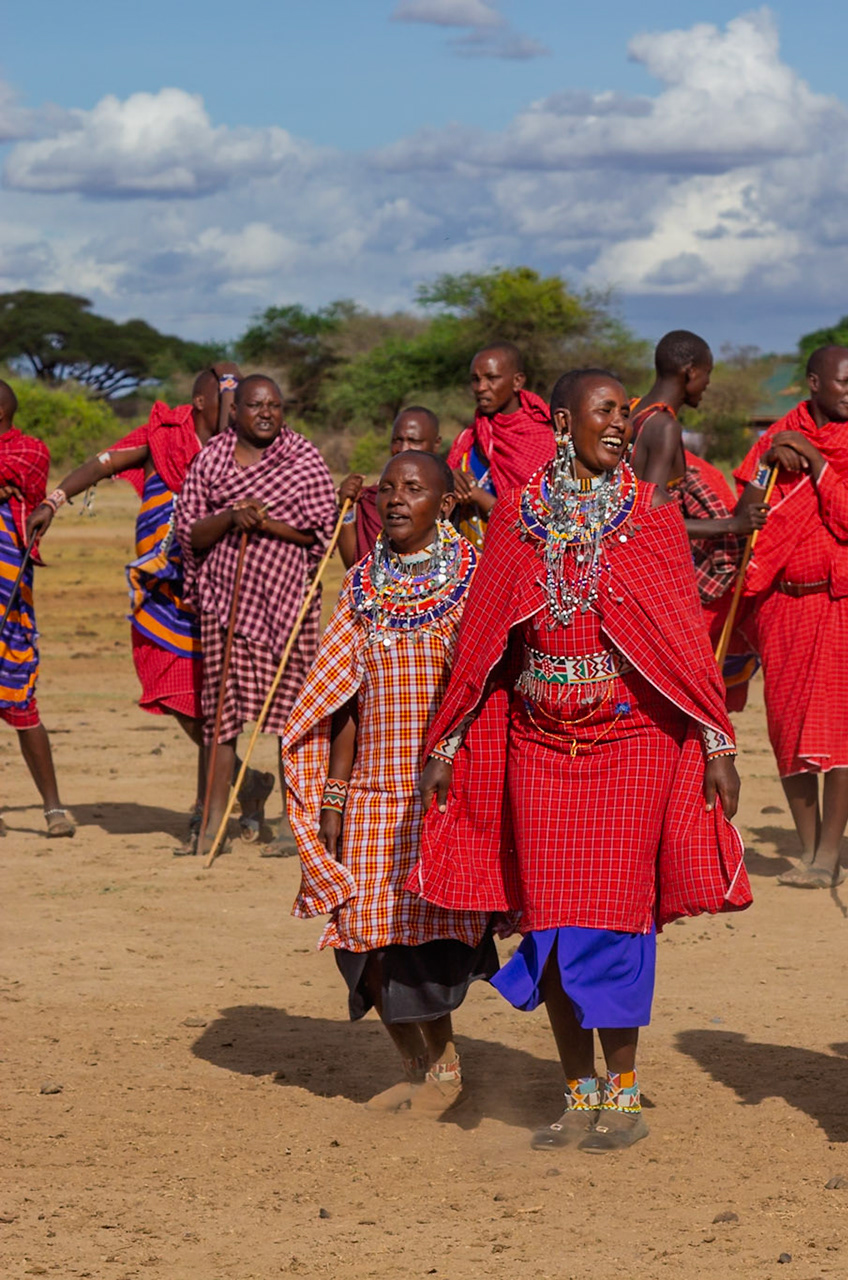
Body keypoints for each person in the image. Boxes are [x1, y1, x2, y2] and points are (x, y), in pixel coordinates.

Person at [414, 368, 750, 1152]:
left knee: (615, 923)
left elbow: (682, 642)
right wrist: (448, 742)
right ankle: (578, 1093)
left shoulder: (649, 518)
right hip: (536, 743)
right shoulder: (519, 523)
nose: (620, 426)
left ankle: (624, 1097)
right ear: (563, 421)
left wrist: (716, 742)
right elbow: (484, 647)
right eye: (605, 412)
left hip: (630, 744)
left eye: (626, 415)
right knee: (552, 928)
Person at [283, 450, 496, 1118]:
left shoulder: (472, 578)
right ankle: (417, 1070)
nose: (397, 499)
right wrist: (334, 797)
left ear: (444, 501)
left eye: (415, 488)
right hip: (373, 793)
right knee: (363, 941)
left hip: (445, 794)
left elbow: (487, 690)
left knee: (423, 945)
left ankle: (444, 1071)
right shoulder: (361, 585)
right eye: (388, 489)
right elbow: (342, 699)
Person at [28, 362, 239, 844]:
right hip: (157, 593)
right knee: (171, 694)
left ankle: (211, 812)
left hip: (217, 595)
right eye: (226, 394)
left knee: (211, 705)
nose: (235, 401)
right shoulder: (162, 437)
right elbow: (104, 463)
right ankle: (243, 779)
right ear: (201, 402)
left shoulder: (243, 453)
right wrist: (55, 500)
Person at [734, 345, 848, 890]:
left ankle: (829, 854)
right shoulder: (778, 433)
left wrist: (815, 459)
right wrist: (776, 462)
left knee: (839, 728)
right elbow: (751, 505)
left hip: (844, 599)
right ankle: (808, 849)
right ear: (813, 383)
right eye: (844, 382)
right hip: (784, 602)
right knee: (785, 727)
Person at [177, 375, 337, 856]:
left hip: (288, 606)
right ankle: (211, 826)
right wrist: (230, 517)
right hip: (225, 609)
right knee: (220, 717)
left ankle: (296, 826)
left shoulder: (303, 459)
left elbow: (319, 534)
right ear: (234, 412)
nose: (266, 413)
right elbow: (190, 534)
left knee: (295, 720)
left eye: (275, 405)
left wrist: (264, 522)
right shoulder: (211, 461)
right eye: (255, 405)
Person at [628, 329, 767, 647]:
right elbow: (651, 520)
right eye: (707, 374)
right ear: (690, 371)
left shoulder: (633, 411)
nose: (707, 384)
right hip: (652, 578)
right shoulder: (664, 426)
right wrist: (734, 525)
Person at [0, 381, 71, 837]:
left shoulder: (28, 450)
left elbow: (23, 483)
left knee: (22, 704)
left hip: (9, 597)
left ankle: (53, 809)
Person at [448, 343, 555, 546]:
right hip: (469, 562)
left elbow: (542, 519)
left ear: (517, 381)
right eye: (475, 380)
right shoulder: (468, 438)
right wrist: (450, 481)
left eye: (492, 378)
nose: (481, 388)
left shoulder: (543, 439)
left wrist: (478, 496)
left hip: (526, 558)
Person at [336, 407, 442, 568]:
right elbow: (357, 566)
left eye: (414, 441)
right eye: (397, 440)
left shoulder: (452, 490)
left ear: (436, 444)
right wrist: (347, 508)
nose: (403, 449)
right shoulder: (376, 497)